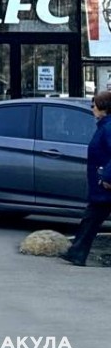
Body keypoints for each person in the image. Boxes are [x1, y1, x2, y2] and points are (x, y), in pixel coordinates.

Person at [62, 87, 111, 266]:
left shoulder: (108, 128)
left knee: (91, 218)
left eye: (94, 106)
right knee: (91, 218)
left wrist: (107, 178)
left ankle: (77, 252)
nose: (92, 109)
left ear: (103, 108)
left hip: (106, 184)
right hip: (102, 185)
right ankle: (76, 253)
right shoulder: (104, 126)